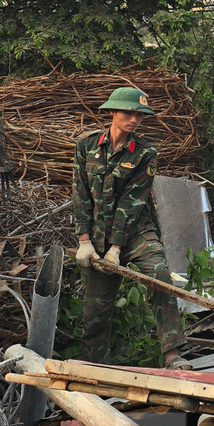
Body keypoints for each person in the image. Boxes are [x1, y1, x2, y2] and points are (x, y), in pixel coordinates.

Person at [72, 87, 187, 368]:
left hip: (136, 231)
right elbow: (80, 193)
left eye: (139, 115)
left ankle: (172, 354)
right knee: (95, 309)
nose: (134, 119)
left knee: (159, 274)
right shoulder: (86, 145)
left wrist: (116, 248)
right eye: (128, 113)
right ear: (112, 112)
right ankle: (99, 368)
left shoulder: (145, 152)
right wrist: (84, 240)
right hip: (96, 234)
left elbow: (132, 203)